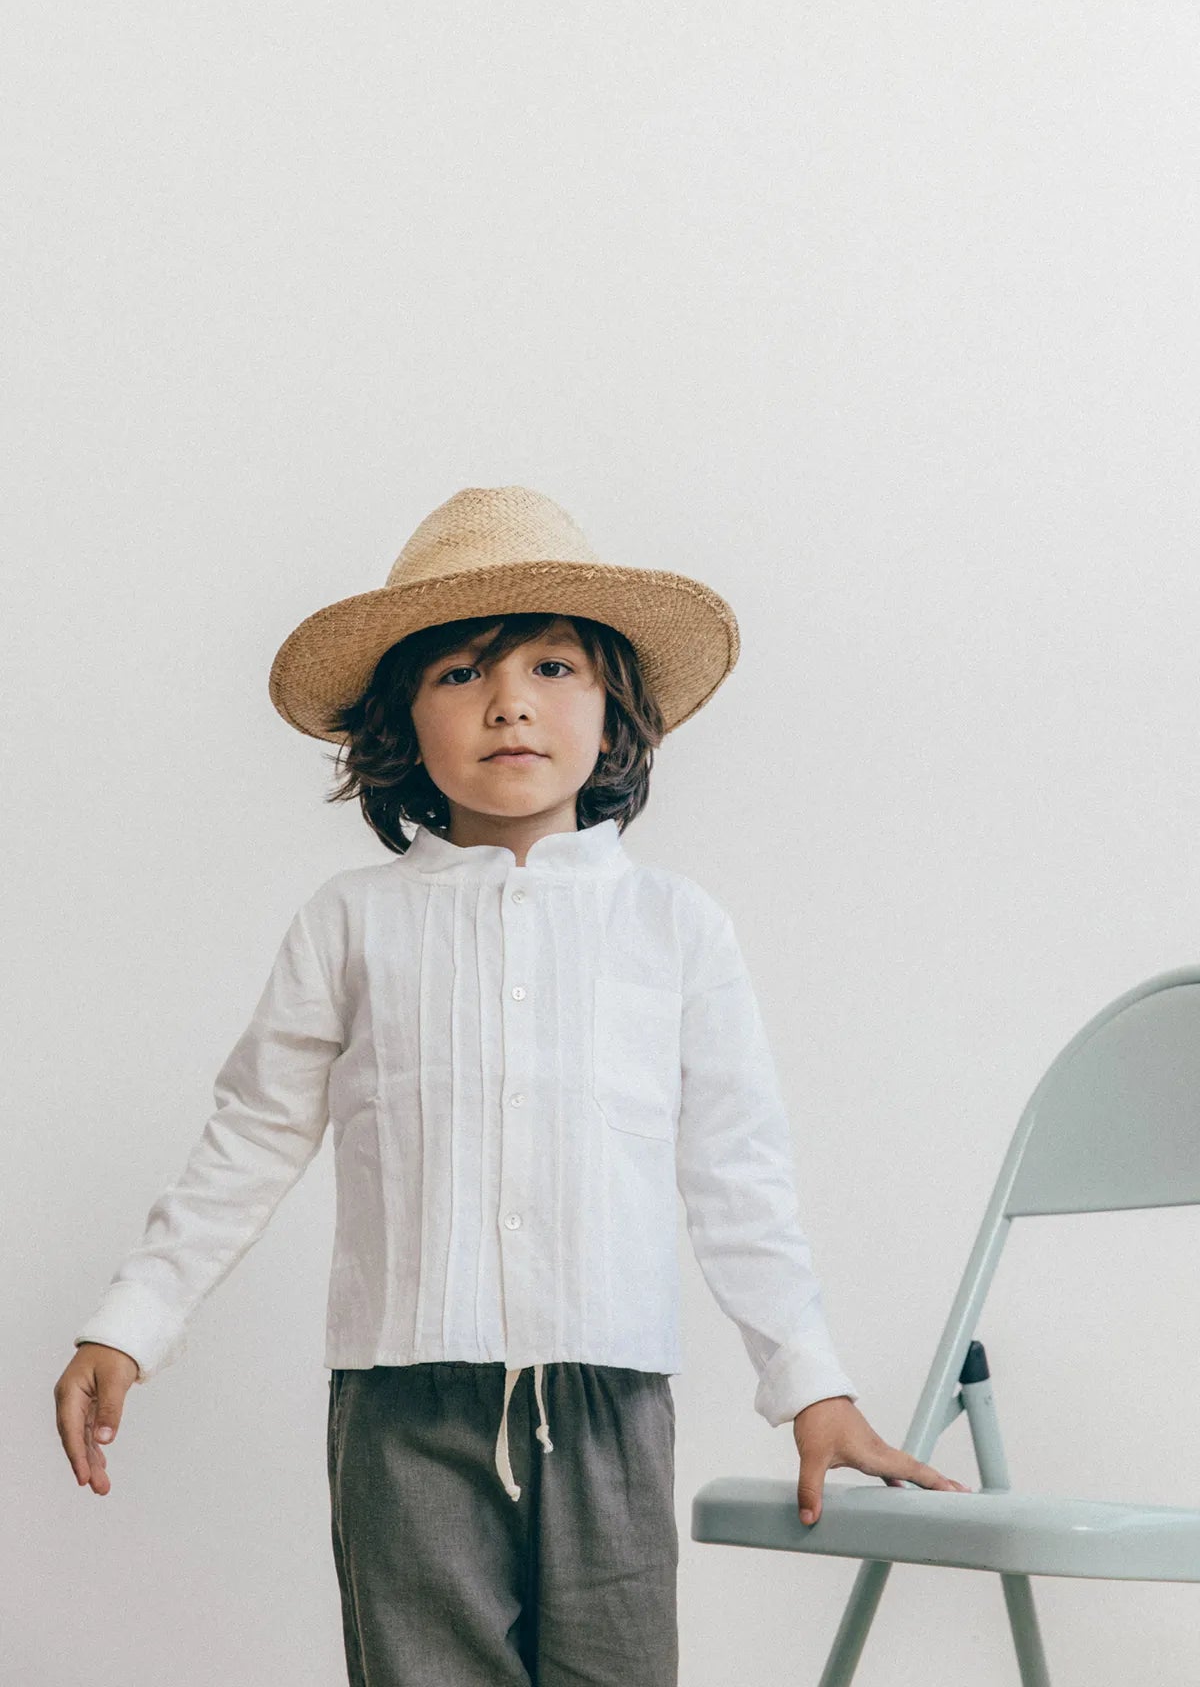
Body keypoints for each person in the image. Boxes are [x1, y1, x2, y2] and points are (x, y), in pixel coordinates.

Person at [56, 483, 969, 1686]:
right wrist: (131, 1322)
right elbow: (253, 1137)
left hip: (610, 1403)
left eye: (552, 666)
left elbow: (736, 1171)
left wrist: (810, 1385)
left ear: (614, 711)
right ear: (398, 722)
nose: (508, 704)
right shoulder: (350, 924)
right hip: (401, 1407)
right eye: (460, 675)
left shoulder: (674, 927)